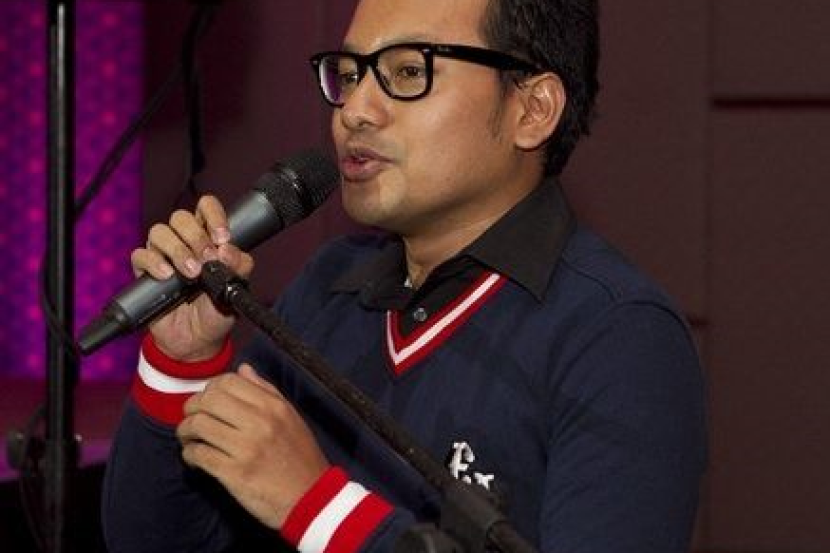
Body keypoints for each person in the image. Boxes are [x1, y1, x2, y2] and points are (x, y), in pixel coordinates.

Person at [102, 0, 707, 551]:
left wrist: (317, 508)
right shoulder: (329, 286)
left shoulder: (618, 334)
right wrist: (180, 364)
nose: (355, 111)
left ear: (532, 109)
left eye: (409, 71)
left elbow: (312, 509)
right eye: (349, 75)